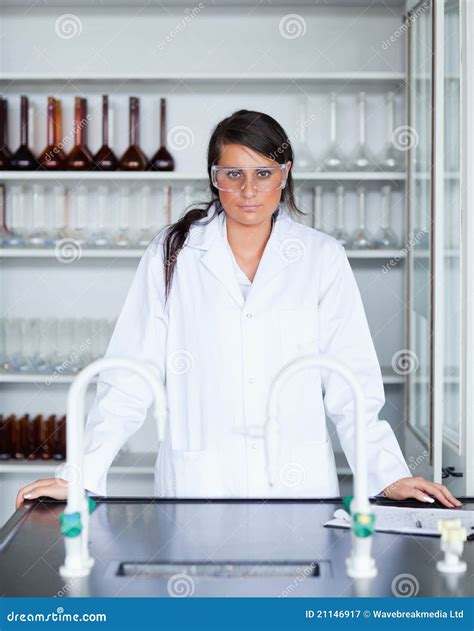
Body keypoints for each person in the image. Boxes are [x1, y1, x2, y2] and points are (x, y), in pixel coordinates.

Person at [16, 110, 461, 509]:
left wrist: (390, 474)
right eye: (234, 173)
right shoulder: (174, 253)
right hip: (199, 484)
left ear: (284, 174)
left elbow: (352, 384)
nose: (249, 190)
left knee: (292, 598)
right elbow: (129, 375)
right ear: (214, 177)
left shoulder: (320, 257)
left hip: (295, 487)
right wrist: (78, 475)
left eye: (263, 173)